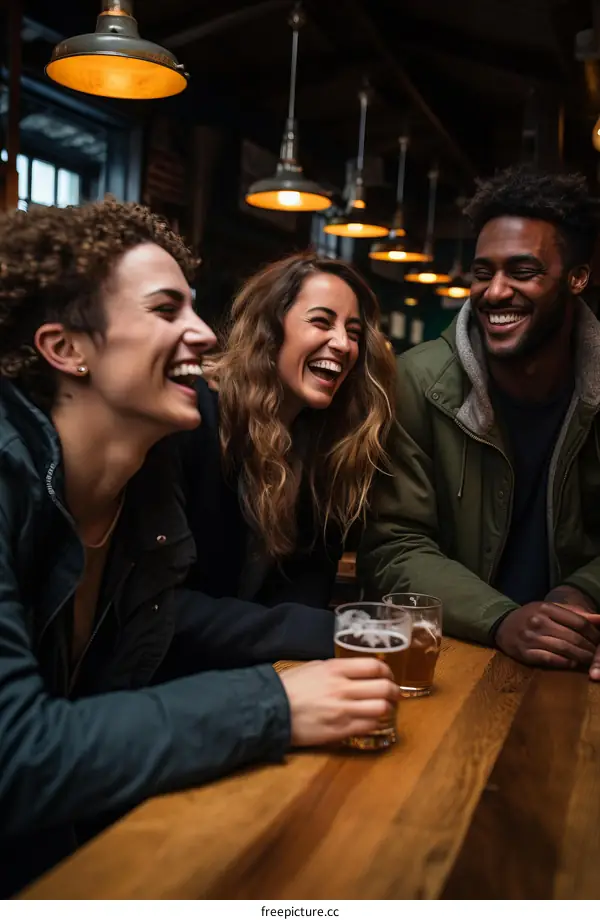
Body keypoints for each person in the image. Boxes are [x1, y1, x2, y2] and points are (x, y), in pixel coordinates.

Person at [0, 202, 399, 896]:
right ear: (66, 349)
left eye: (194, 306)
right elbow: (18, 759)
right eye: (166, 309)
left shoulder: (139, 490)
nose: (205, 332)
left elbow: (103, 710)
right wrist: (271, 705)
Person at [359, 167, 600, 677]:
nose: (495, 292)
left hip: (582, 653)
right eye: (483, 271)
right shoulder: (417, 382)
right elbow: (393, 546)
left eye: (523, 271)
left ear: (578, 277)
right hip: (455, 655)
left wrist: (578, 594)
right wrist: (502, 620)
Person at [181, 252, 396, 614]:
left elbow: (304, 592)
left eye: (353, 332)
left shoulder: (324, 447)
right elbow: (169, 613)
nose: (344, 344)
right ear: (270, 328)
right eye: (321, 322)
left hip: (270, 663)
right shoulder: (199, 418)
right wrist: (326, 634)